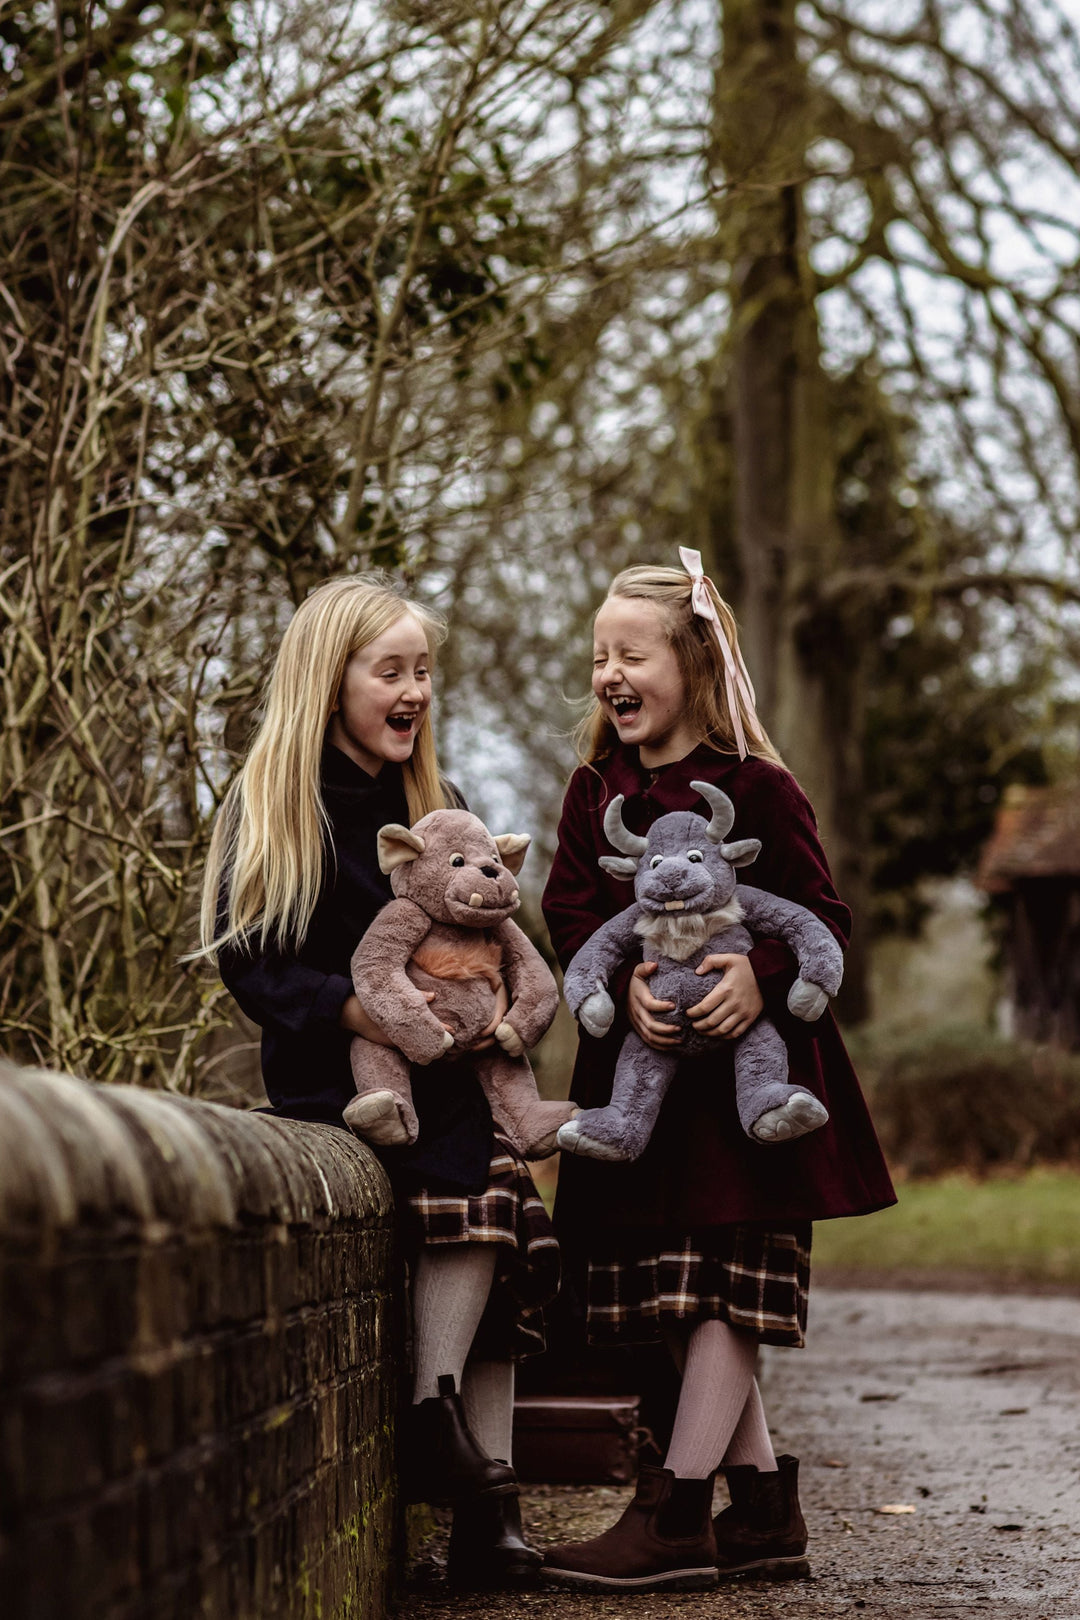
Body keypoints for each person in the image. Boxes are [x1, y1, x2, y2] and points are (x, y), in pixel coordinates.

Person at [538, 551, 896, 1593]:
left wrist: (761, 973)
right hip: (648, 1091)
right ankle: (765, 1516)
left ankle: (678, 1515)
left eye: (631, 652)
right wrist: (621, 982)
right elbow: (570, 912)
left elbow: (819, 918)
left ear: (694, 663)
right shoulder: (593, 791)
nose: (609, 672)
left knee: (730, 1294)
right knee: (688, 1297)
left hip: (753, 1102)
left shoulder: (762, 791)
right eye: (600, 654)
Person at [197, 574, 559, 1590]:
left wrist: (488, 1016)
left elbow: (492, 941)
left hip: (446, 1076)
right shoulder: (277, 808)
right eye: (391, 670)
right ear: (330, 682)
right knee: (481, 1184)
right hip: (339, 1087)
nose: (416, 690)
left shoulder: (429, 816)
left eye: (424, 671)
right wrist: (366, 1013)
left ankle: (491, 1511)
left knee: (510, 1217)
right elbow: (253, 964)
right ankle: (438, 1424)